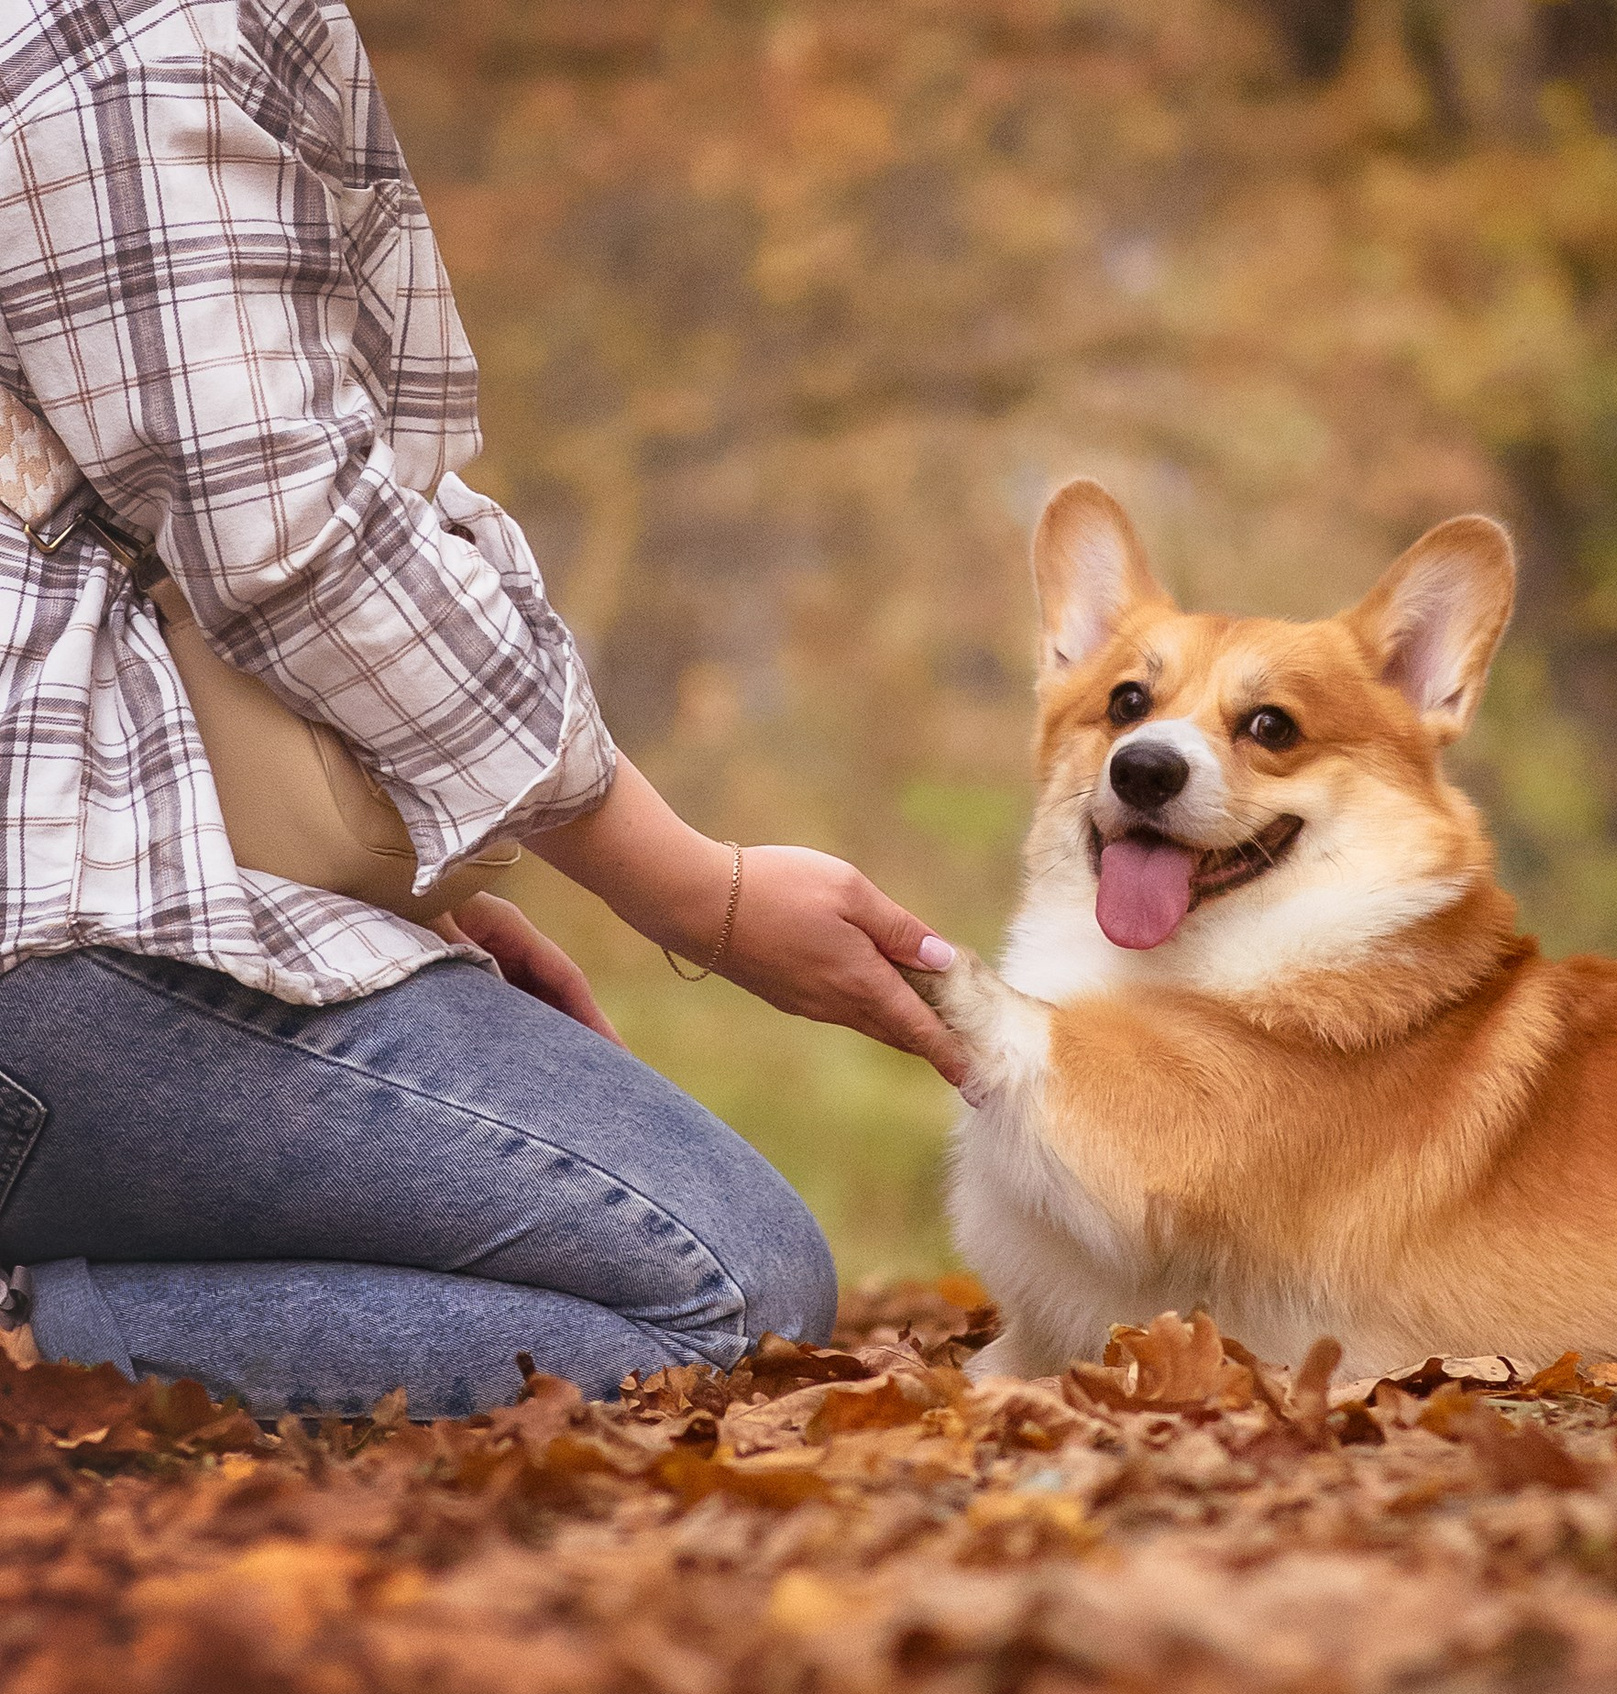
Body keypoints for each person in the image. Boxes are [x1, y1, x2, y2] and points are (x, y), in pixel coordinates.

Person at [0, 0, 967, 1418]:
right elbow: (290, 532)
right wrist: (688, 887)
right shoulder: (138, 26)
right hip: (43, 955)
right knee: (720, 1288)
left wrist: (401, 891)